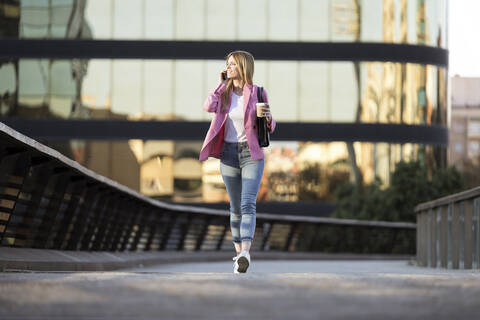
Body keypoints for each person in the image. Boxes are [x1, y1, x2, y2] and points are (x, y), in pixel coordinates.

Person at [199, 51, 276, 274]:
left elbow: (270, 127)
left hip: (251, 154)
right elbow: (208, 106)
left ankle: (245, 252)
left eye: (232, 64)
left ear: (243, 67)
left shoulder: (258, 92)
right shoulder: (224, 94)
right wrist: (220, 84)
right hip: (229, 153)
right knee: (235, 208)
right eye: (227, 64)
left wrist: (269, 118)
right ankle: (238, 255)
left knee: (247, 203)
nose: (228, 67)